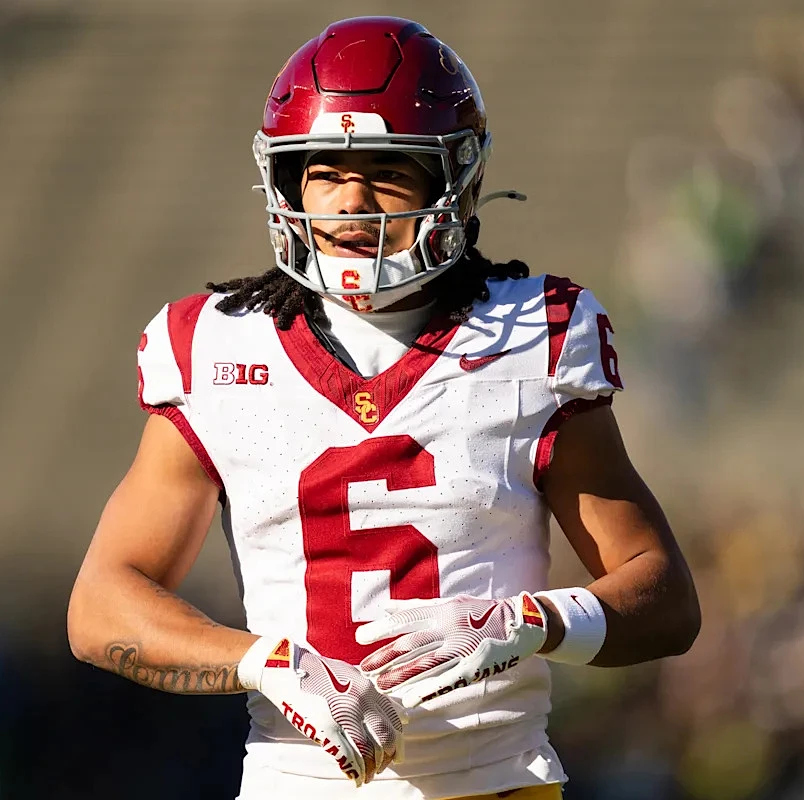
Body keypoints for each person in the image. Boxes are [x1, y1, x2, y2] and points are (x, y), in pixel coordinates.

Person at [67, 15, 700, 800]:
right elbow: (101, 606)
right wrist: (267, 664)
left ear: (455, 181)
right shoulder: (213, 348)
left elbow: (665, 600)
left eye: (389, 170)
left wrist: (526, 623)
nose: (352, 203)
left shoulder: (532, 335)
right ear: (285, 182)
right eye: (326, 171)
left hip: (493, 784)